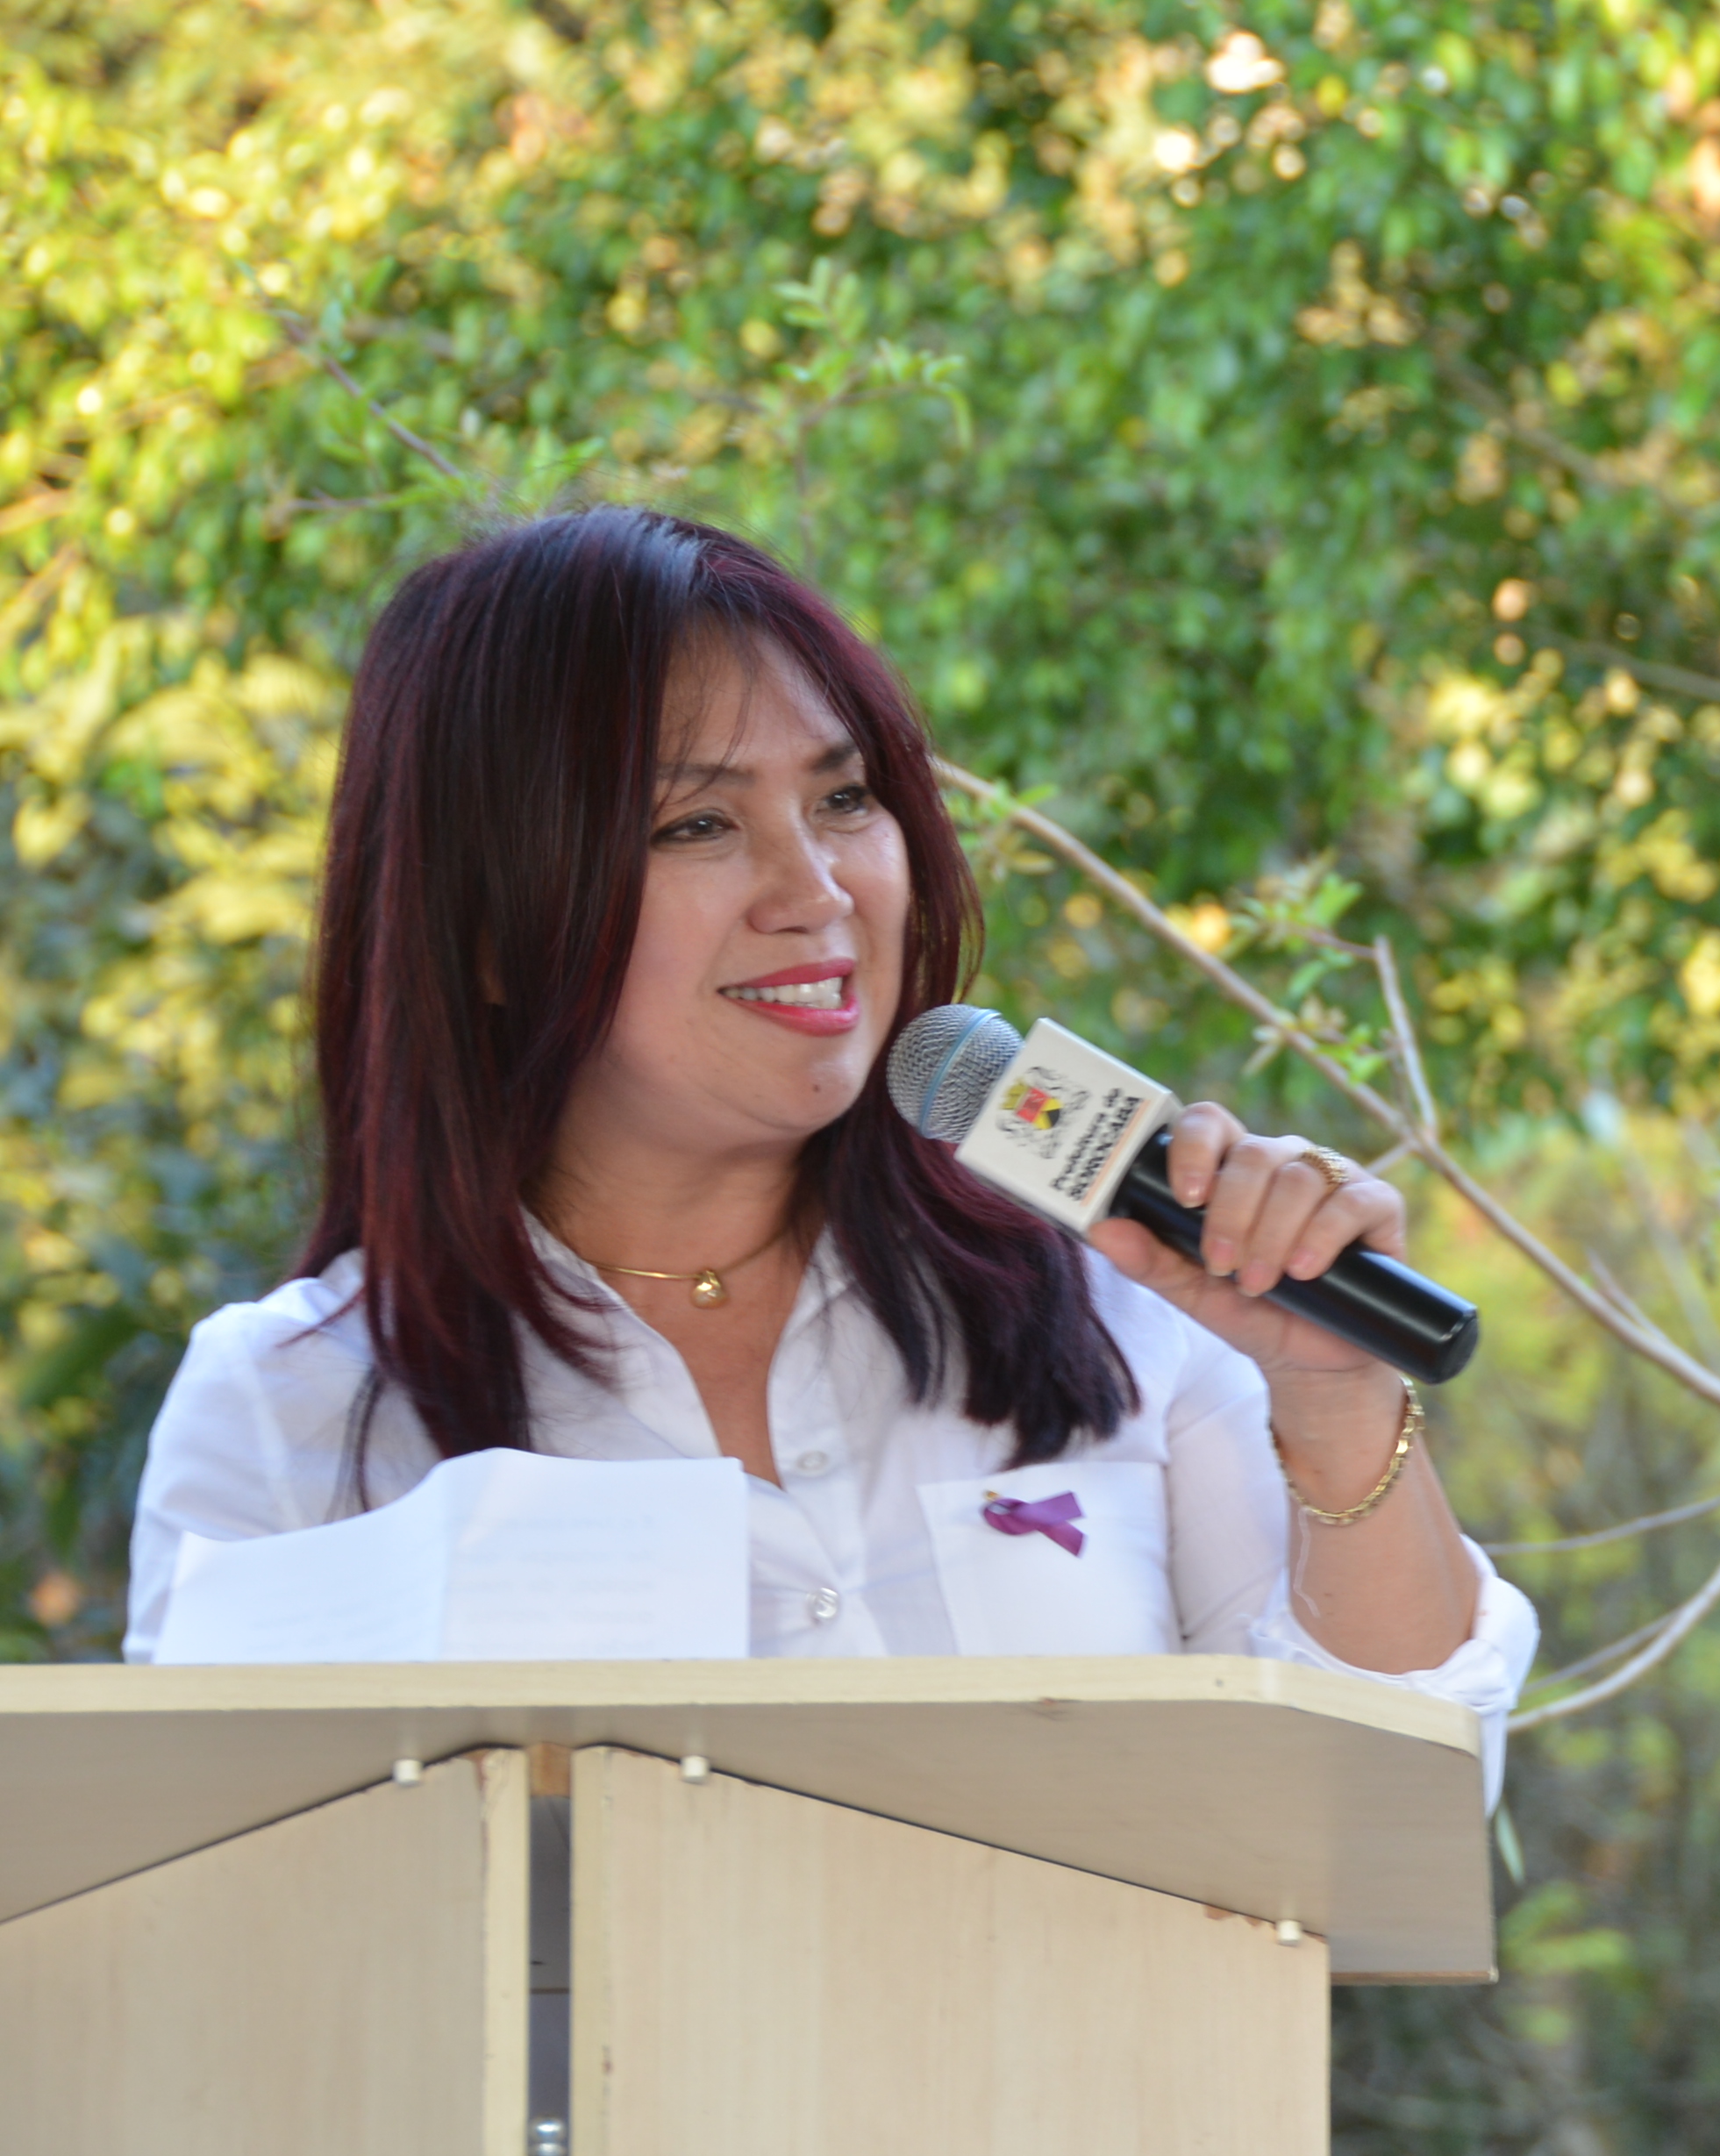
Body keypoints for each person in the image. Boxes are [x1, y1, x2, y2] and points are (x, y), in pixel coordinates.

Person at [125, 508, 1535, 1791]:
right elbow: (219, 1918)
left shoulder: (1127, 1309)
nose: (817, 891)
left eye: (845, 801)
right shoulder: (290, 1409)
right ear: (489, 932)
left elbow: (1401, 1805)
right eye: (697, 823)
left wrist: (1336, 1398)